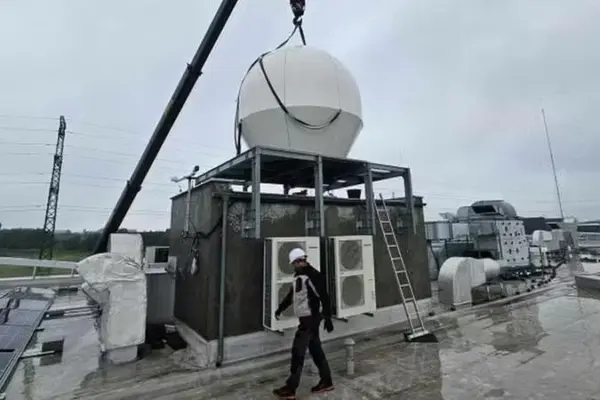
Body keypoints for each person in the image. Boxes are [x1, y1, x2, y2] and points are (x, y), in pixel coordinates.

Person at [272, 248, 335, 399]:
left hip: (310, 320)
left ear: (299, 261)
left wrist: (328, 317)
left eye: (295, 263)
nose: (294, 265)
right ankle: (327, 382)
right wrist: (280, 309)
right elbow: (291, 296)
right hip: (308, 319)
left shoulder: (312, 275)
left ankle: (290, 389)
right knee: (316, 350)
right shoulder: (299, 276)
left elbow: (324, 296)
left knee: (298, 352)